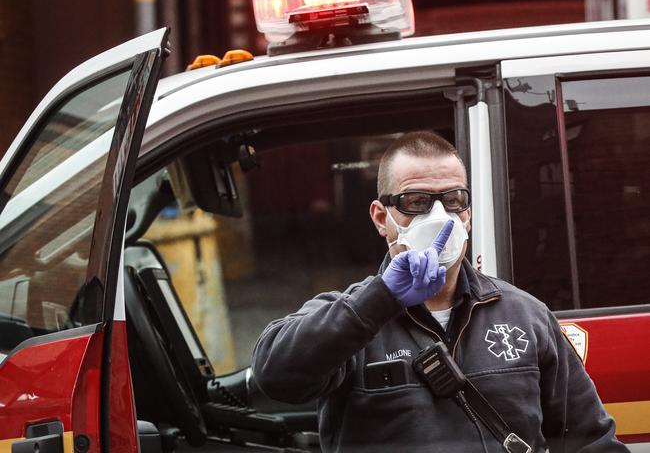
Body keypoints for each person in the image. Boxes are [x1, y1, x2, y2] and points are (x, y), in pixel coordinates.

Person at [251, 131, 628, 452]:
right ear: (382, 218)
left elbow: (589, 440)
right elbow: (277, 376)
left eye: (453, 200)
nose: (438, 217)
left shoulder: (524, 315)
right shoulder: (349, 318)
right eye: (416, 202)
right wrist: (380, 299)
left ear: (468, 212)